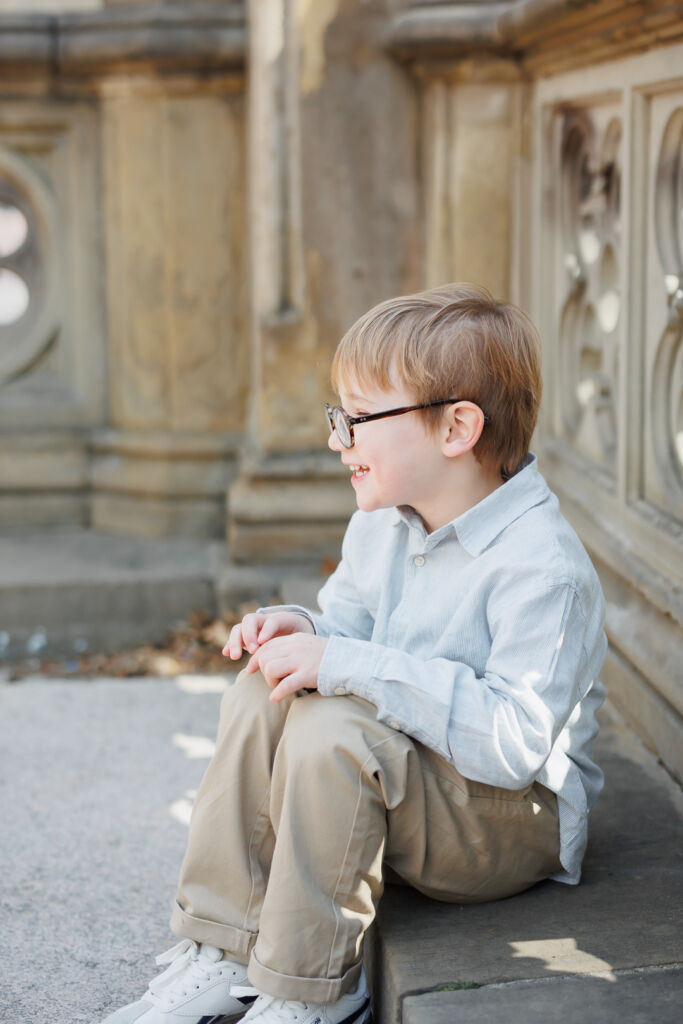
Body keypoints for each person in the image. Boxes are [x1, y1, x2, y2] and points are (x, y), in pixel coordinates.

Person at [102, 284, 607, 1024]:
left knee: (335, 731)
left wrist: (345, 664)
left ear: (456, 428)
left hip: (503, 825)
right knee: (262, 689)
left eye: (358, 419)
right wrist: (297, 631)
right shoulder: (382, 526)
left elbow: (513, 745)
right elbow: (346, 636)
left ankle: (311, 989)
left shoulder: (542, 568)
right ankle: (225, 948)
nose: (338, 440)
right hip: (411, 784)